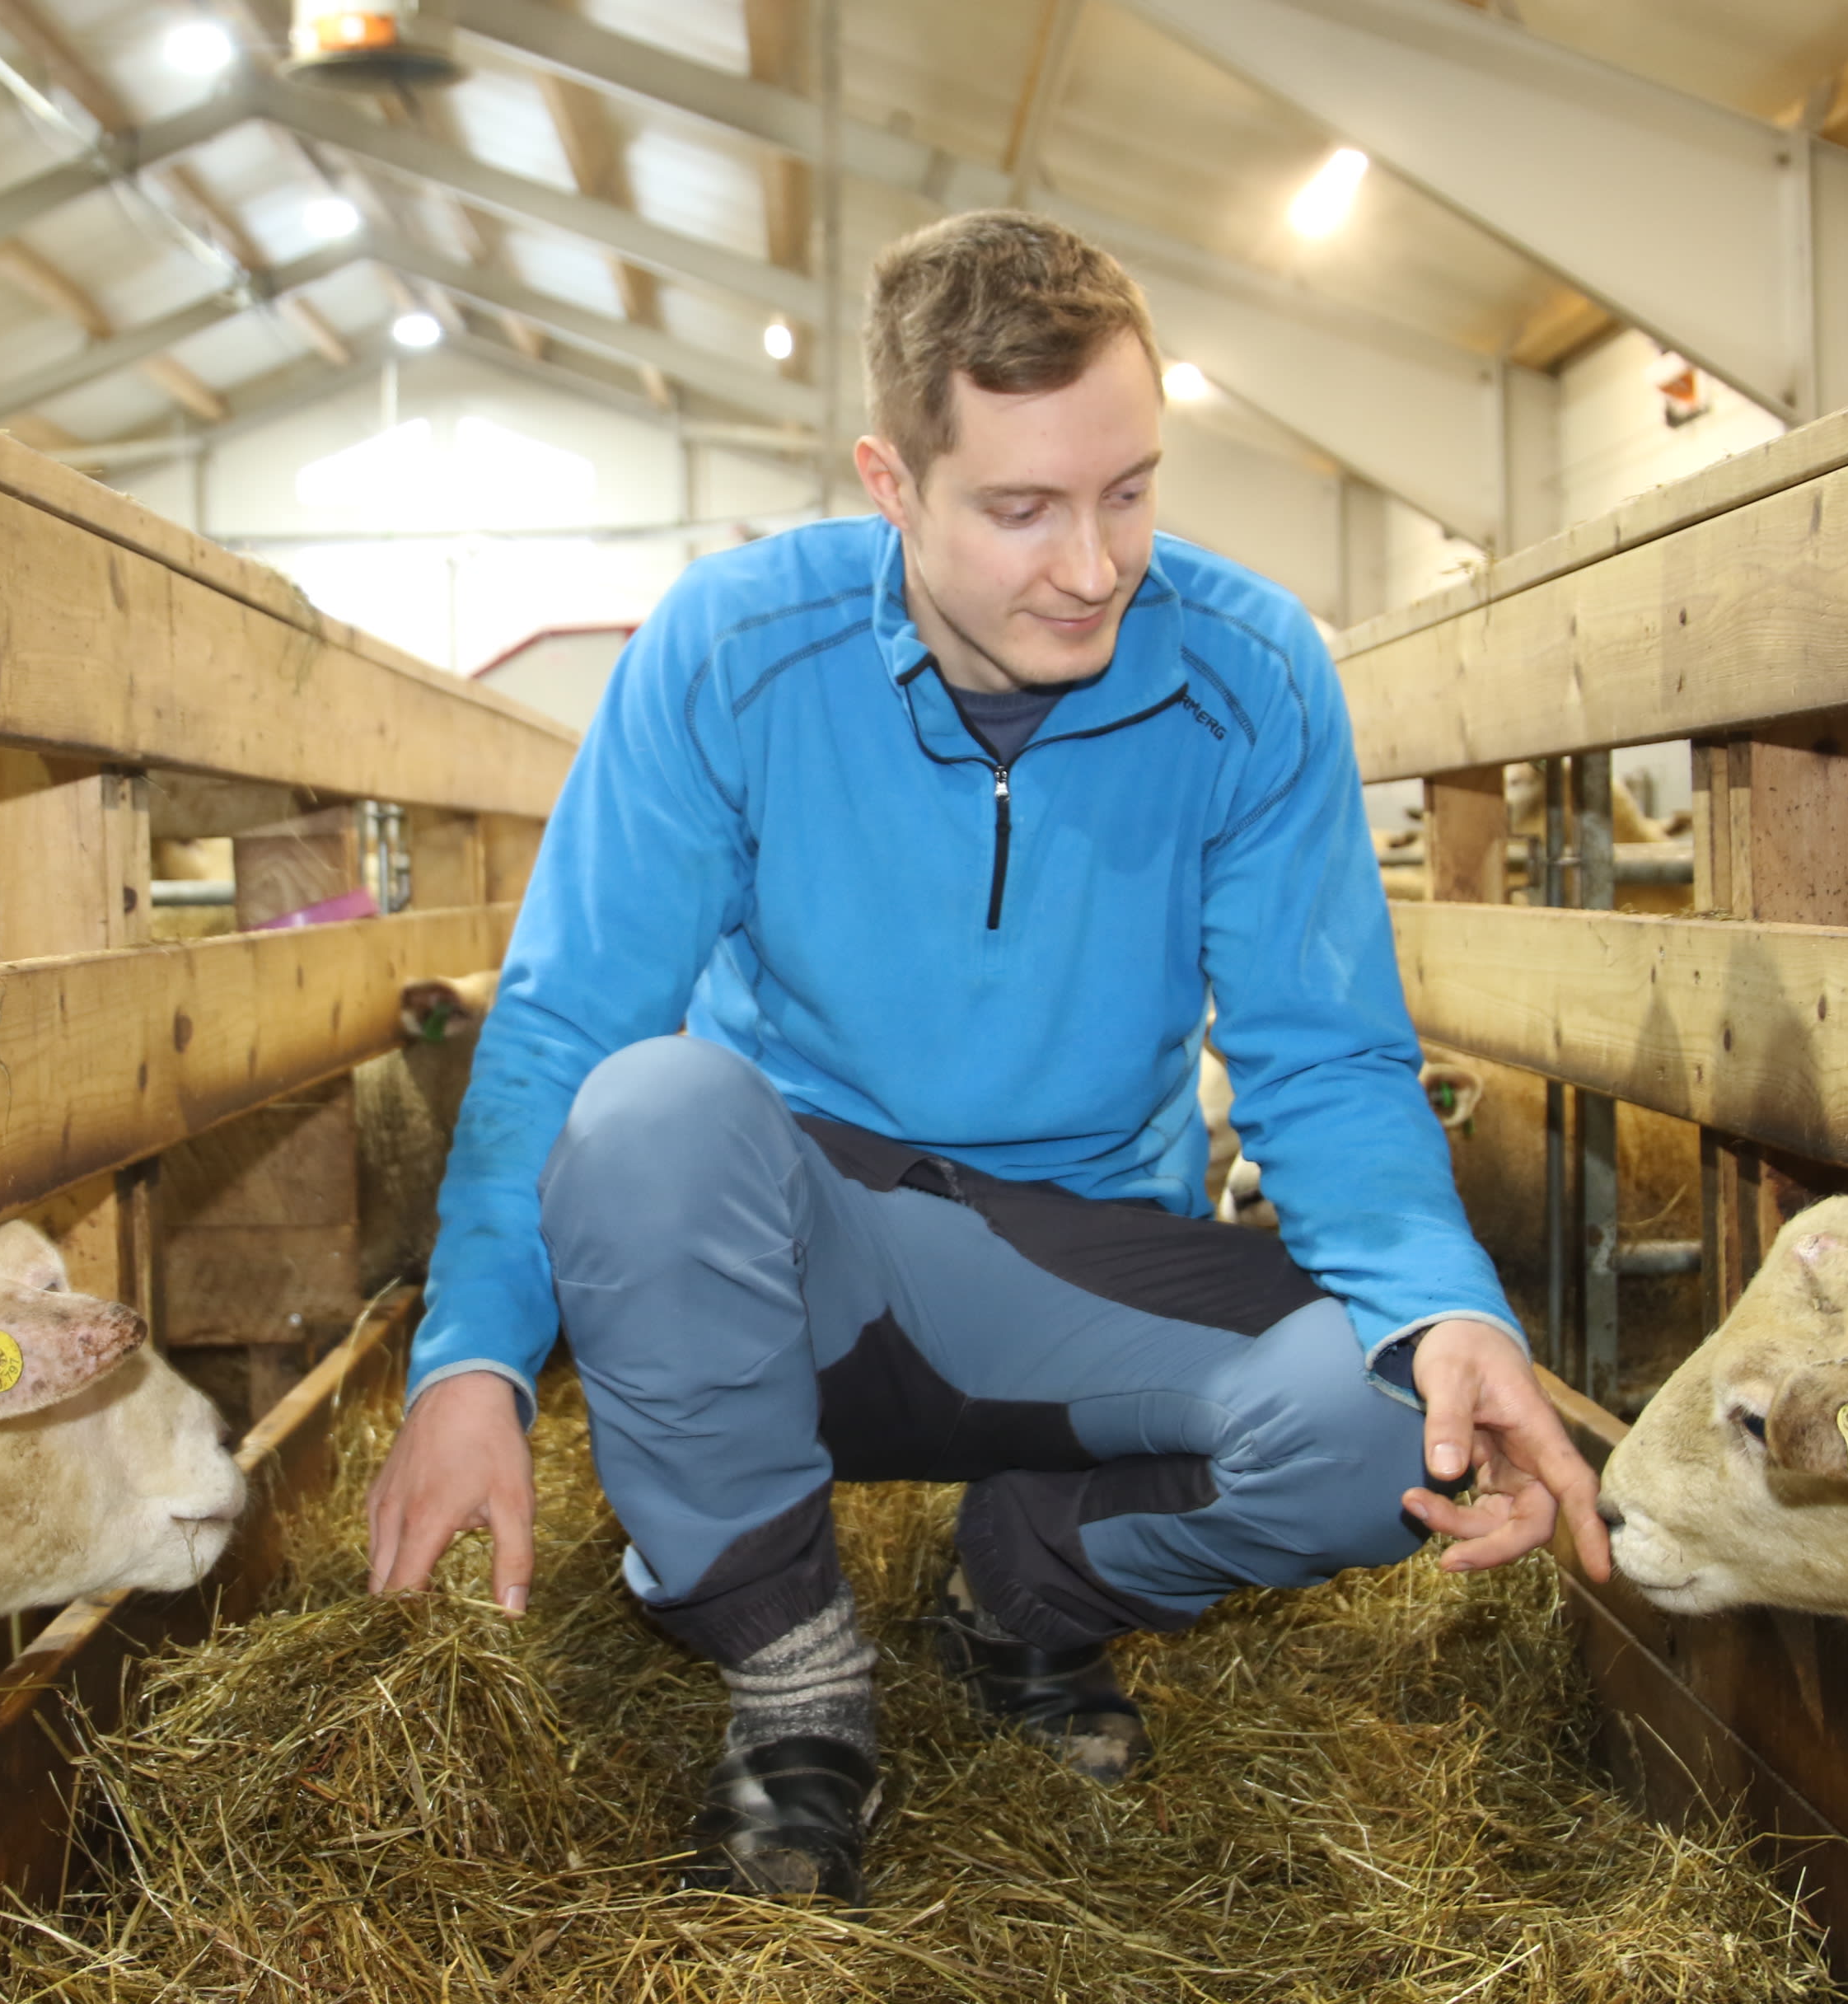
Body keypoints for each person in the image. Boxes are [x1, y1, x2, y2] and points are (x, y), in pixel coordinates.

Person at [366, 210, 1611, 1906]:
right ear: (893, 484)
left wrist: (1447, 1308)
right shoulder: (735, 653)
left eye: (1129, 492)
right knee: (644, 1111)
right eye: (1022, 509)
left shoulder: (1249, 677)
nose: (1094, 566)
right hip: (793, 1262)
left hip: (1079, 1267)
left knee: (1395, 1434)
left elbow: (1321, 1056)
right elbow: (571, 1017)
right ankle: (794, 1674)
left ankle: (1023, 1588)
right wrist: (472, 1363)